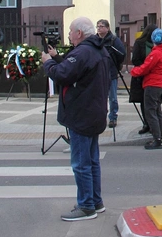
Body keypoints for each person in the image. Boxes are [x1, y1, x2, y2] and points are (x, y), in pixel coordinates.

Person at [42, 16, 111, 221]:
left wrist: (48, 63)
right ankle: (95, 202)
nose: (69, 35)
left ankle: (86, 206)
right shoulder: (100, 50)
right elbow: (76, 72)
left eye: (71, 31)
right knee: (92, 161)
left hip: (82, 113)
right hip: (95, 111)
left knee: (81, 163)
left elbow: (63, 75)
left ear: (79, 33)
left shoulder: (82, 51)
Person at [130, 28, 162, 150]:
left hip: (152, 84)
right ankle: (161, 136)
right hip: (158, 84)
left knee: (151, 112)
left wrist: (134, 71)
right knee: (157, 111)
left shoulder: (155, 53)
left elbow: (146, 68)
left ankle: (157, 139)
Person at [96, 19, 126, 128]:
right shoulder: (95, 40)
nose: (99, 28)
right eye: (97, 26)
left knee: (112, 97)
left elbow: (122, 54)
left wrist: (115, 64)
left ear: (107, 28)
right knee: (99, 97)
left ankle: (113, 117)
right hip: (98, 73)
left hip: (111, 72)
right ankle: (100, 117)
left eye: (101, 26)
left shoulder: (114, 40)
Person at [131, 23, 158, 135]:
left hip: (153, 77)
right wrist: (146, 67)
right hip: (142, 76)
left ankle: (153, 125)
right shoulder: (140, 43)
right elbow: (135, 60)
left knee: (152, 103)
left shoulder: (156, 44)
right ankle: (146, 123)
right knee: (143, 101)